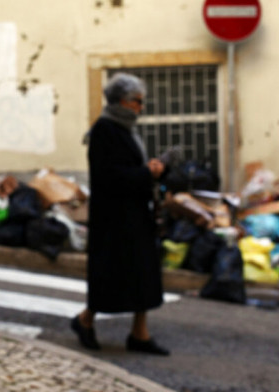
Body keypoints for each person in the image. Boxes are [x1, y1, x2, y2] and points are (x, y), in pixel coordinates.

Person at [71, 72, 169, 356]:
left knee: (143, 274)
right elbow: (108, 176)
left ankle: (140, 333)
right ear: (122, 102)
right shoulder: (104, 130)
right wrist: (146, 172)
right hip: (114, 219)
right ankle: (85, 320)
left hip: (135, 214)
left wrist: (152, 170)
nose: (142, 107)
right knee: (110, 275)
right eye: (138, 101)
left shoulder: (125, 130)